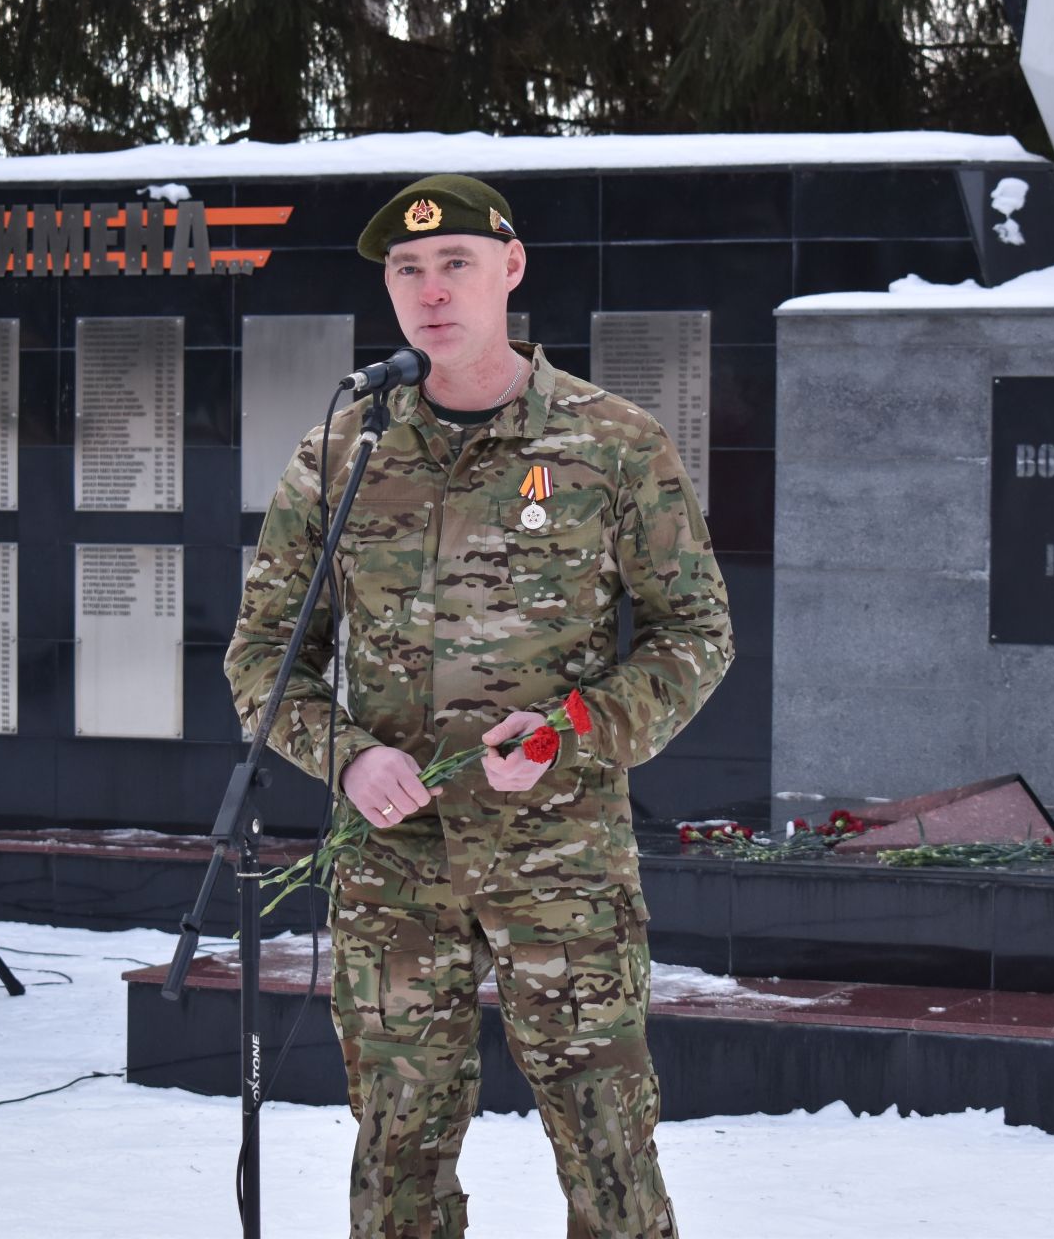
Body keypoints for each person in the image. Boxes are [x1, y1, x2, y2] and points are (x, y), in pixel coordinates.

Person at [224, 173, 733, 1239]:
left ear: (511, 266)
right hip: (394, 863)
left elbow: (698, 635)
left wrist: (577, 730)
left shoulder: (610, 444)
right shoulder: (343, 454)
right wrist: (350, 756)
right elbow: (266, 655)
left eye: (454, 262)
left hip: (562, 864)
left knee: (608, 1145)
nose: (429, 290)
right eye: (406, 270)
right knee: (397, 1146)